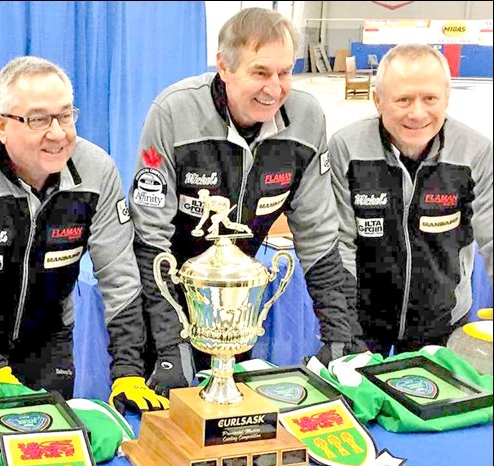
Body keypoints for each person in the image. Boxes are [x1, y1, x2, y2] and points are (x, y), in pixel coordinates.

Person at [130, 7, 360, 394]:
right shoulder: (172, 112)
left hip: (236, 305)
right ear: (224, 66)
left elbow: (319, 236)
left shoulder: (306, 119)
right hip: (164, 303)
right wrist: (172, 343)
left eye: (285, 72)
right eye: (260, 72)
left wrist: (339, 335)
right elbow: (150, 237)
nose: (275, 88)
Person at [0, 56, 167, 414]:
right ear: (1, 125)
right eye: (38, 119)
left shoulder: (97, 170)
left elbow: (120, 278)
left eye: (66, 115)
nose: (58, 133)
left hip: (49, 341)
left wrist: (129, 371)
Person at [329, 43, 492, 355]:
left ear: (447, 98)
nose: (417, 113)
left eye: (430, 98)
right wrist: (346, 322)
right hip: (361, 323)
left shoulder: (477, 153)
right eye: (403, 99)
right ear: (378, 100)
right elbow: (342, 243)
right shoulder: (346, 148)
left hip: (443, 323)